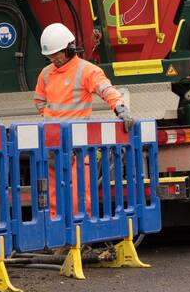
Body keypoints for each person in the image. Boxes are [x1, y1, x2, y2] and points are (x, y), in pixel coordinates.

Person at [33, 23, 135, 216]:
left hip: (77, 145)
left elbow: (106, 90)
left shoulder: (87, 70)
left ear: (69, 48)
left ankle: (80, 238)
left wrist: (121, 109)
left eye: (57, 54)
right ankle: (58, 241)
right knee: (52, 196)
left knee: (79, 195)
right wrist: (50, 120)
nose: (53, 59)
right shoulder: (46, 74)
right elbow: (39, 100)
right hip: (52, 142)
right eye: (50, 56)